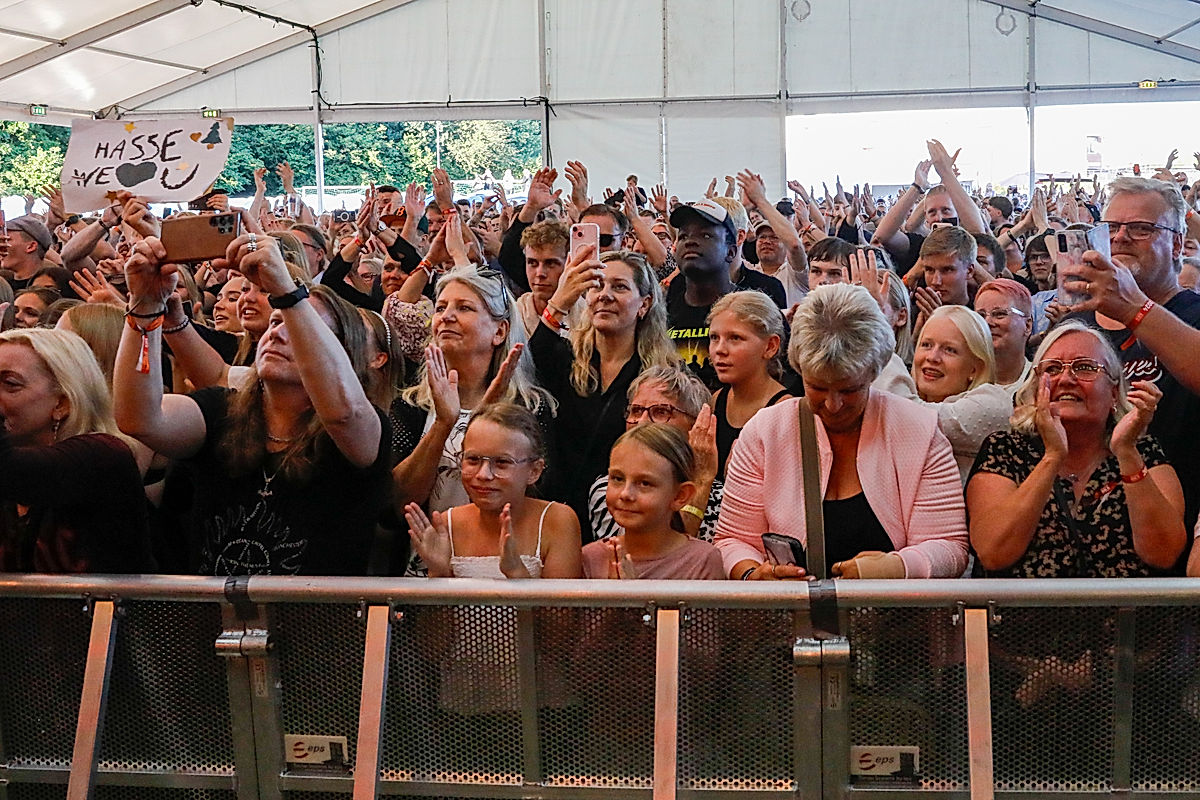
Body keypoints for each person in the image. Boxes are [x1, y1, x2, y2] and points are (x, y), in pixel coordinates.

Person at [113, 233, 392, 576]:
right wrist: (143, 307)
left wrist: (289, 295)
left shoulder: (365, 427)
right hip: (216, 624)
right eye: (275, 321)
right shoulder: (220, 409)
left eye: (298, 326)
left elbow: (344, 412)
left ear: (343, 353)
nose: (278, 331)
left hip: (315, 625)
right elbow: (139, 418)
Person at [714, 284, 969, 580]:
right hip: (791, 621)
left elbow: (950, 549)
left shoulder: (918, 430)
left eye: (850, 389)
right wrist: (752, 574)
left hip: (896, 620)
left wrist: (899, 567)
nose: (833, 405)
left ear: (874, 373)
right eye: (817, 387)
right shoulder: (764, 431)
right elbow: (732, 540)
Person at [968, 321, 1185, 577]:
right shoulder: (1005, 450)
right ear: (1036, 388)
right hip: (1024, 616)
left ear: (1114, 393)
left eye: (1084, 368)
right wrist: (1053, 457)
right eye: (1053, 369)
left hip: (1129, 616)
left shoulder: (1143, 452)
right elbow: (993, 553)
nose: (1067, 379)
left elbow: (1163, 554)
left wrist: (1126, 452)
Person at [1066, 176, 1200, 535]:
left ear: (1177, 244)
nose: (1120, 237)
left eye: (1141, 228)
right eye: (1111, 226)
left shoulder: (1195, 314)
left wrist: (1134, 310)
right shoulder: (1075, 324)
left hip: (1175, 528)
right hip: (1082, 530)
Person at [391, 265, 555, 534]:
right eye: (441, 307)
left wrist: (486, 422)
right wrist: (444, 423)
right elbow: (397, 504)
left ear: (499, 331)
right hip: (423, 565)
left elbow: (537, 496)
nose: (446, 317)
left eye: (464, 308)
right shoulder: (411, 405)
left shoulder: (530, 408)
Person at [531, 247, 676, 534]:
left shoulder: (662, 376)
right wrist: (560, 300)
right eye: (597, 286)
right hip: (558, 519)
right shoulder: (565, 359)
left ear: (644, 304)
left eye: (620, 287)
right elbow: (529, 362)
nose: (604, 295)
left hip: (624, 521)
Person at [0, 328, 154, 572]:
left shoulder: (104, 455)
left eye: (10, 384)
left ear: (62, 403)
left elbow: (14, 472)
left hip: (106, 610)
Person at [403, 403, 581, 578]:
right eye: (473, 459)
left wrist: (516, 572)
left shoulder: (557, 521)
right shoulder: (446, 524)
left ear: (534, 471)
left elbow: (561, 608)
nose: (483, 474)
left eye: (502, 462)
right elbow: (432, 607)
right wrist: (439, 572)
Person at [589, 365, 720, 542]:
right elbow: (654, 560)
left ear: (697, 425)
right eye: (636, 411)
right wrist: (702, 480)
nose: (641, 422)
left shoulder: (726, 497)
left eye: (661, 412)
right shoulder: (611, 488)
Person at [665, 198, 785, 391]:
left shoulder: (755, 310)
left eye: (705, 236)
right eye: (684, 236)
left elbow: (783, 378)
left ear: (731, 251)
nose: (690, 242)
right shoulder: (664, 309)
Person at [583, 424, 724, 579]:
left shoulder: (702, 560)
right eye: (617, 478)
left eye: (644, 483)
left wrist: (630, 595)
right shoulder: (590, 557)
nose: (625, 494)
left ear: (680, 496)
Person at [907, 304, 1014, 482]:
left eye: (950, 350)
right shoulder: (909, 394)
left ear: (975, 368)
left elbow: (914, 418)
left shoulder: (993, 404)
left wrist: (877, 339)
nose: (932, 357)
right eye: (926, 345)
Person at [706, 290, 791, 477]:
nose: (720, 350)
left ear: (770, 346)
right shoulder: (717, 400)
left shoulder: (785, 411)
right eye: (714, 338)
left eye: (735, 338)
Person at [974, 278, 1033, 387]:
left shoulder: (1040, 381)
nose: (987, 322)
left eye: (999, 314)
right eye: (980, 316)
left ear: (1027, 326)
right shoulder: (961, 381)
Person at [516, 220, 570, 336]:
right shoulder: (513, 316)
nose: (540, 273)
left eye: (551, 263)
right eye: (532, 263)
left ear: (568, 263)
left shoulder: (588, 314)